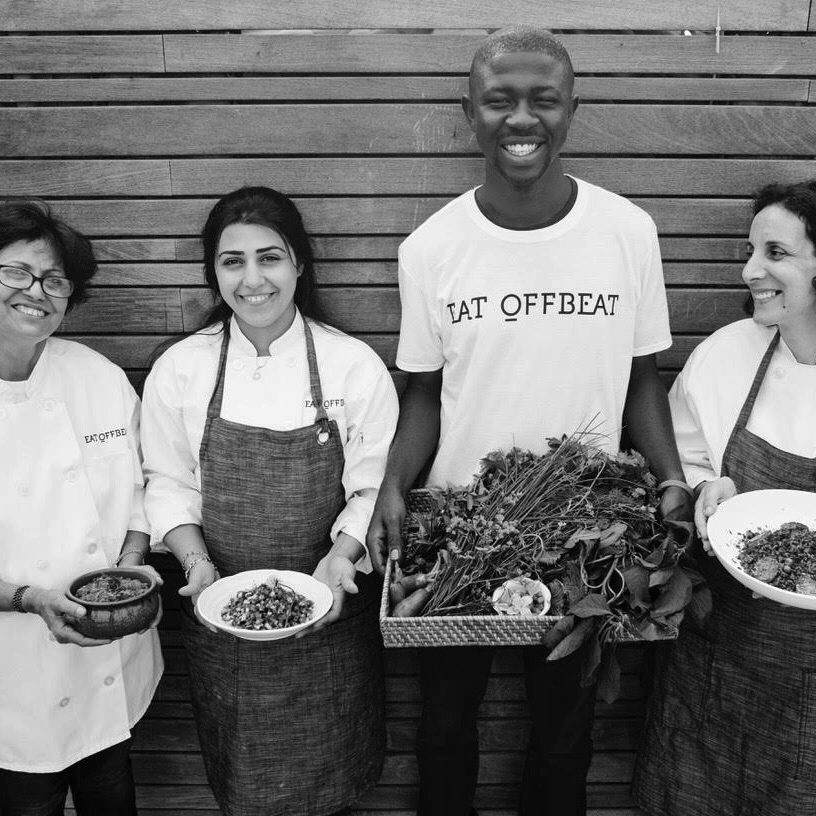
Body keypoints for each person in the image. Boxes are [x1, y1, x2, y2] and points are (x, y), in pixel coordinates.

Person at [366, 25, 692, 816]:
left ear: (571, 110)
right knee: (444, 727)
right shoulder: (432, 248)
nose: (523, 119)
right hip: (460, 528)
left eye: (543, 100)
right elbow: (421, 393)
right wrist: (392, 484)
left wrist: (674, 479)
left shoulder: (627, 232)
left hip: (586, 533)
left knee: (563, 730)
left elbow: (642, 378)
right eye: (500, 100)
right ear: (470, 113)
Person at [140, 186, 398, 816]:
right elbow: (167, 481)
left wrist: (342, 558)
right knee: (247, 780)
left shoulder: (351, 365)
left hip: (330, 609)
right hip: (218, 610)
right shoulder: (181, 367)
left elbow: (371, 484)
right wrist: (198, 566)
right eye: (233, 262)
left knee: (333, 778)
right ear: (214, 273)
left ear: (299, 265)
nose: (253, 279)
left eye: (270, 258)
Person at [632, 180, 816, 815]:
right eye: (750, 250)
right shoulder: (728, 354)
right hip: (722, 654)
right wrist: (707, 487)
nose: (749, 270)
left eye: (776, 253)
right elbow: (681, 462)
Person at [0, 202, 163, 816]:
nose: (36, 292)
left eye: (54, 280)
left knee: (111, 789)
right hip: (11, 674)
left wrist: (131, 562)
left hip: (109, 656)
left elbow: (143, 488)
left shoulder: (96, 377)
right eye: (15, 273)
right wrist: (28, 599)